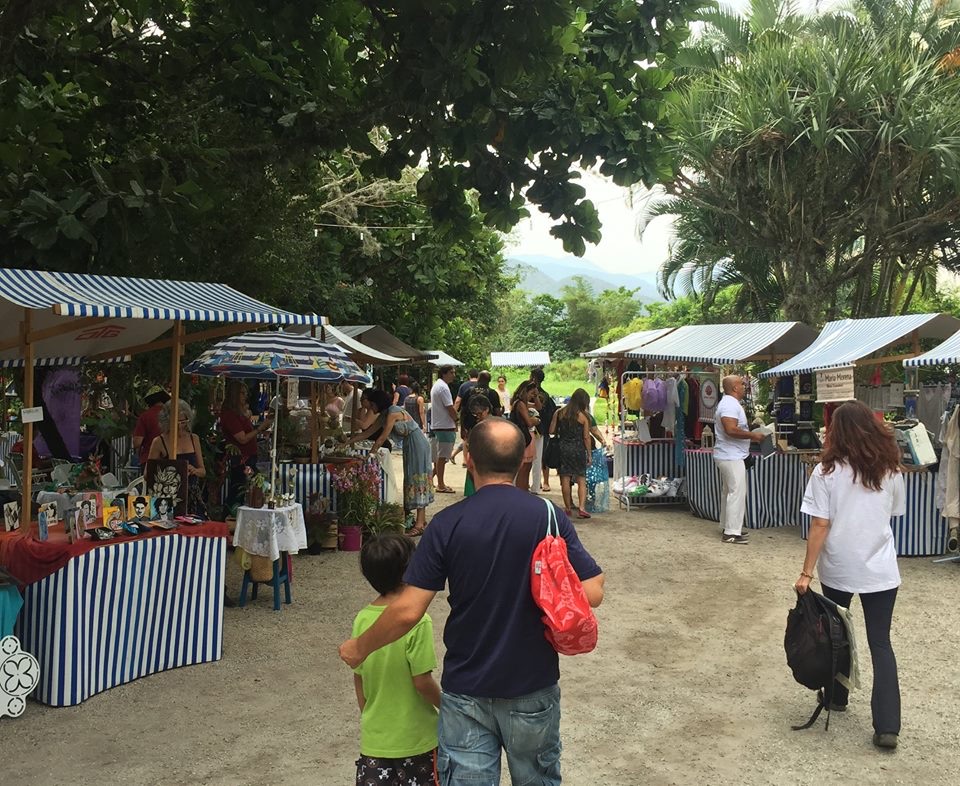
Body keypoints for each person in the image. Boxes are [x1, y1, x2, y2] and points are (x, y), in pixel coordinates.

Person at [339, 418, 604, 785]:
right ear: (521, 460)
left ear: (469, 460)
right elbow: (593, 592)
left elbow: (408, 610)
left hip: (467, 691)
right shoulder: (547, 516)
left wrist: (360, 647)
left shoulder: (447, 524)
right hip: (533, 683)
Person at [795, 400, 905, 750]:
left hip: (839, 565)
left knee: (836, 633)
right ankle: (887, 725)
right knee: (880, 643)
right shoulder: (891, 470)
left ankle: (836, 696)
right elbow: (893, 513)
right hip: (880, 568)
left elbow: (820, 525)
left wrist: (806, 572)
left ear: (837, 433)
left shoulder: (825, 472)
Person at [351, 534, 440, 785]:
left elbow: (359, 678)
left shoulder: (362, 618)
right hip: (417, 739)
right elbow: (422, 681)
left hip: (375, 740)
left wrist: (370, 716)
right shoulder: (417, 620)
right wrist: (447, 708)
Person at [352, 389, 435, 536]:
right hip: (410, 444)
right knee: (411, 478)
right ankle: (417, 520)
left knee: (417, 479)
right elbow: (367, 433)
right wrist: (347, 443)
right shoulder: (385, 415)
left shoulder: (393, 412)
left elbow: (382, 438)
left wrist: (370, 454)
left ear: (377, 403)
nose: (371, 408)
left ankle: (420, 523)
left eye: (372, 404)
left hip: (417, 443)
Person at [714, 374, 765, 545]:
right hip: (731, 455)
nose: (744, 386)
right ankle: (731, 532)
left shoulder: (730, 403)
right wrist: (753, 435)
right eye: (742, 384)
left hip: (730, 454)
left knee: (729, 491)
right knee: (737, 492)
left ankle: (727, 526)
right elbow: (730, 429)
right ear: (735, 388)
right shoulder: (729, 405)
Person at [219, 381, 273, 513]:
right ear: (234, 395)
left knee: (248, 488)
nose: (245, 396)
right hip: (241, 458)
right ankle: (229, 515)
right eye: (242, 393)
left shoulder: (239, 413)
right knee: (239, 489)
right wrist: (260, 429)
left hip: (249, 456)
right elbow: (242, 438)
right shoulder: (230, 415)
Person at [148, 399, 208, 516]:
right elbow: (148, 474)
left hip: (192, 497)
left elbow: (203, 471)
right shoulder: (159, 442)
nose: (180, 426)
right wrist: (169, 473)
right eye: (176, 422)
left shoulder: (194, 439)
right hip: (168, 498)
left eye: (184, 422)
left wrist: (194, 470)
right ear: (167, 421)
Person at [549, 388, 593, 518]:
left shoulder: (559, 412)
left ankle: (568, 508)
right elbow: (586, 437)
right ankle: (582, 508)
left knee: (565, 478)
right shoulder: (584, 417)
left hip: (563, 448)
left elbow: (551, 430)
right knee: (581, 478)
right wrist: (589, 454)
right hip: (578, 448)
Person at [430, 366, 458, 493]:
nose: (453, 375)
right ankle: (440, 484)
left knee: (439, 457)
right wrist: (456, 419)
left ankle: (431, 479)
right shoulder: (443, 388)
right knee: (442, 457)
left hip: (438, 425)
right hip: (445, 426)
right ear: (444, 374)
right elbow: (450, 407)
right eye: (451, 372)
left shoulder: (438, 385)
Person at [508, 380, 539, 491]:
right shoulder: (520, 403)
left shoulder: (523, 403)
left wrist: (536, 396)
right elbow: (529, 422)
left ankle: (524, 490)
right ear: (525, 392)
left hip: (526, 436)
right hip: (523, 436)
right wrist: (535, 420)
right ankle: (521, 491)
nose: (532, 396)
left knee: (527, 467)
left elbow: (539, 406)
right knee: (524, 468)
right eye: (531, 393)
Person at [530, 368, 557, 493]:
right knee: (542, 455)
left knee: (536, 456)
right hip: (543, 428)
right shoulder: (546, 395)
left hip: (537, 428)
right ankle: (544, 482)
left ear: (533, 378)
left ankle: (542, 481)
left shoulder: (533, 394)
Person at [132, 385, 170, 467]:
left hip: (149, 460)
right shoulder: (173, 416)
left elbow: (137, 443)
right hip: (171, 460)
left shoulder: (145, 416)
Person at [462, 394, 492, 497]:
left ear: (487, 410)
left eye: (479, 413)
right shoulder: (478, 424)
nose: (477, 416)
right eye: (475, 414)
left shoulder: (492, 424)